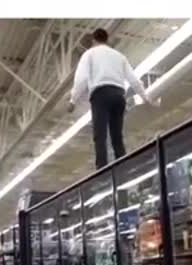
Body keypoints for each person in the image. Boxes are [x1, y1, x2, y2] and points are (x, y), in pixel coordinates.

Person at [68, 28, 159, 169]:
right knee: (117, 136)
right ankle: (122, 168)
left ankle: (102, 169)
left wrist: (73, 100)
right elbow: (133, 79)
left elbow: (82, 78)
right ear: (107, 39)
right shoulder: (119, 56)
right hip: (118, 95)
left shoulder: (89, 54)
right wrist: (145, 98)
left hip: (100, 95)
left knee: (100, 135)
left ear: (93, 40)